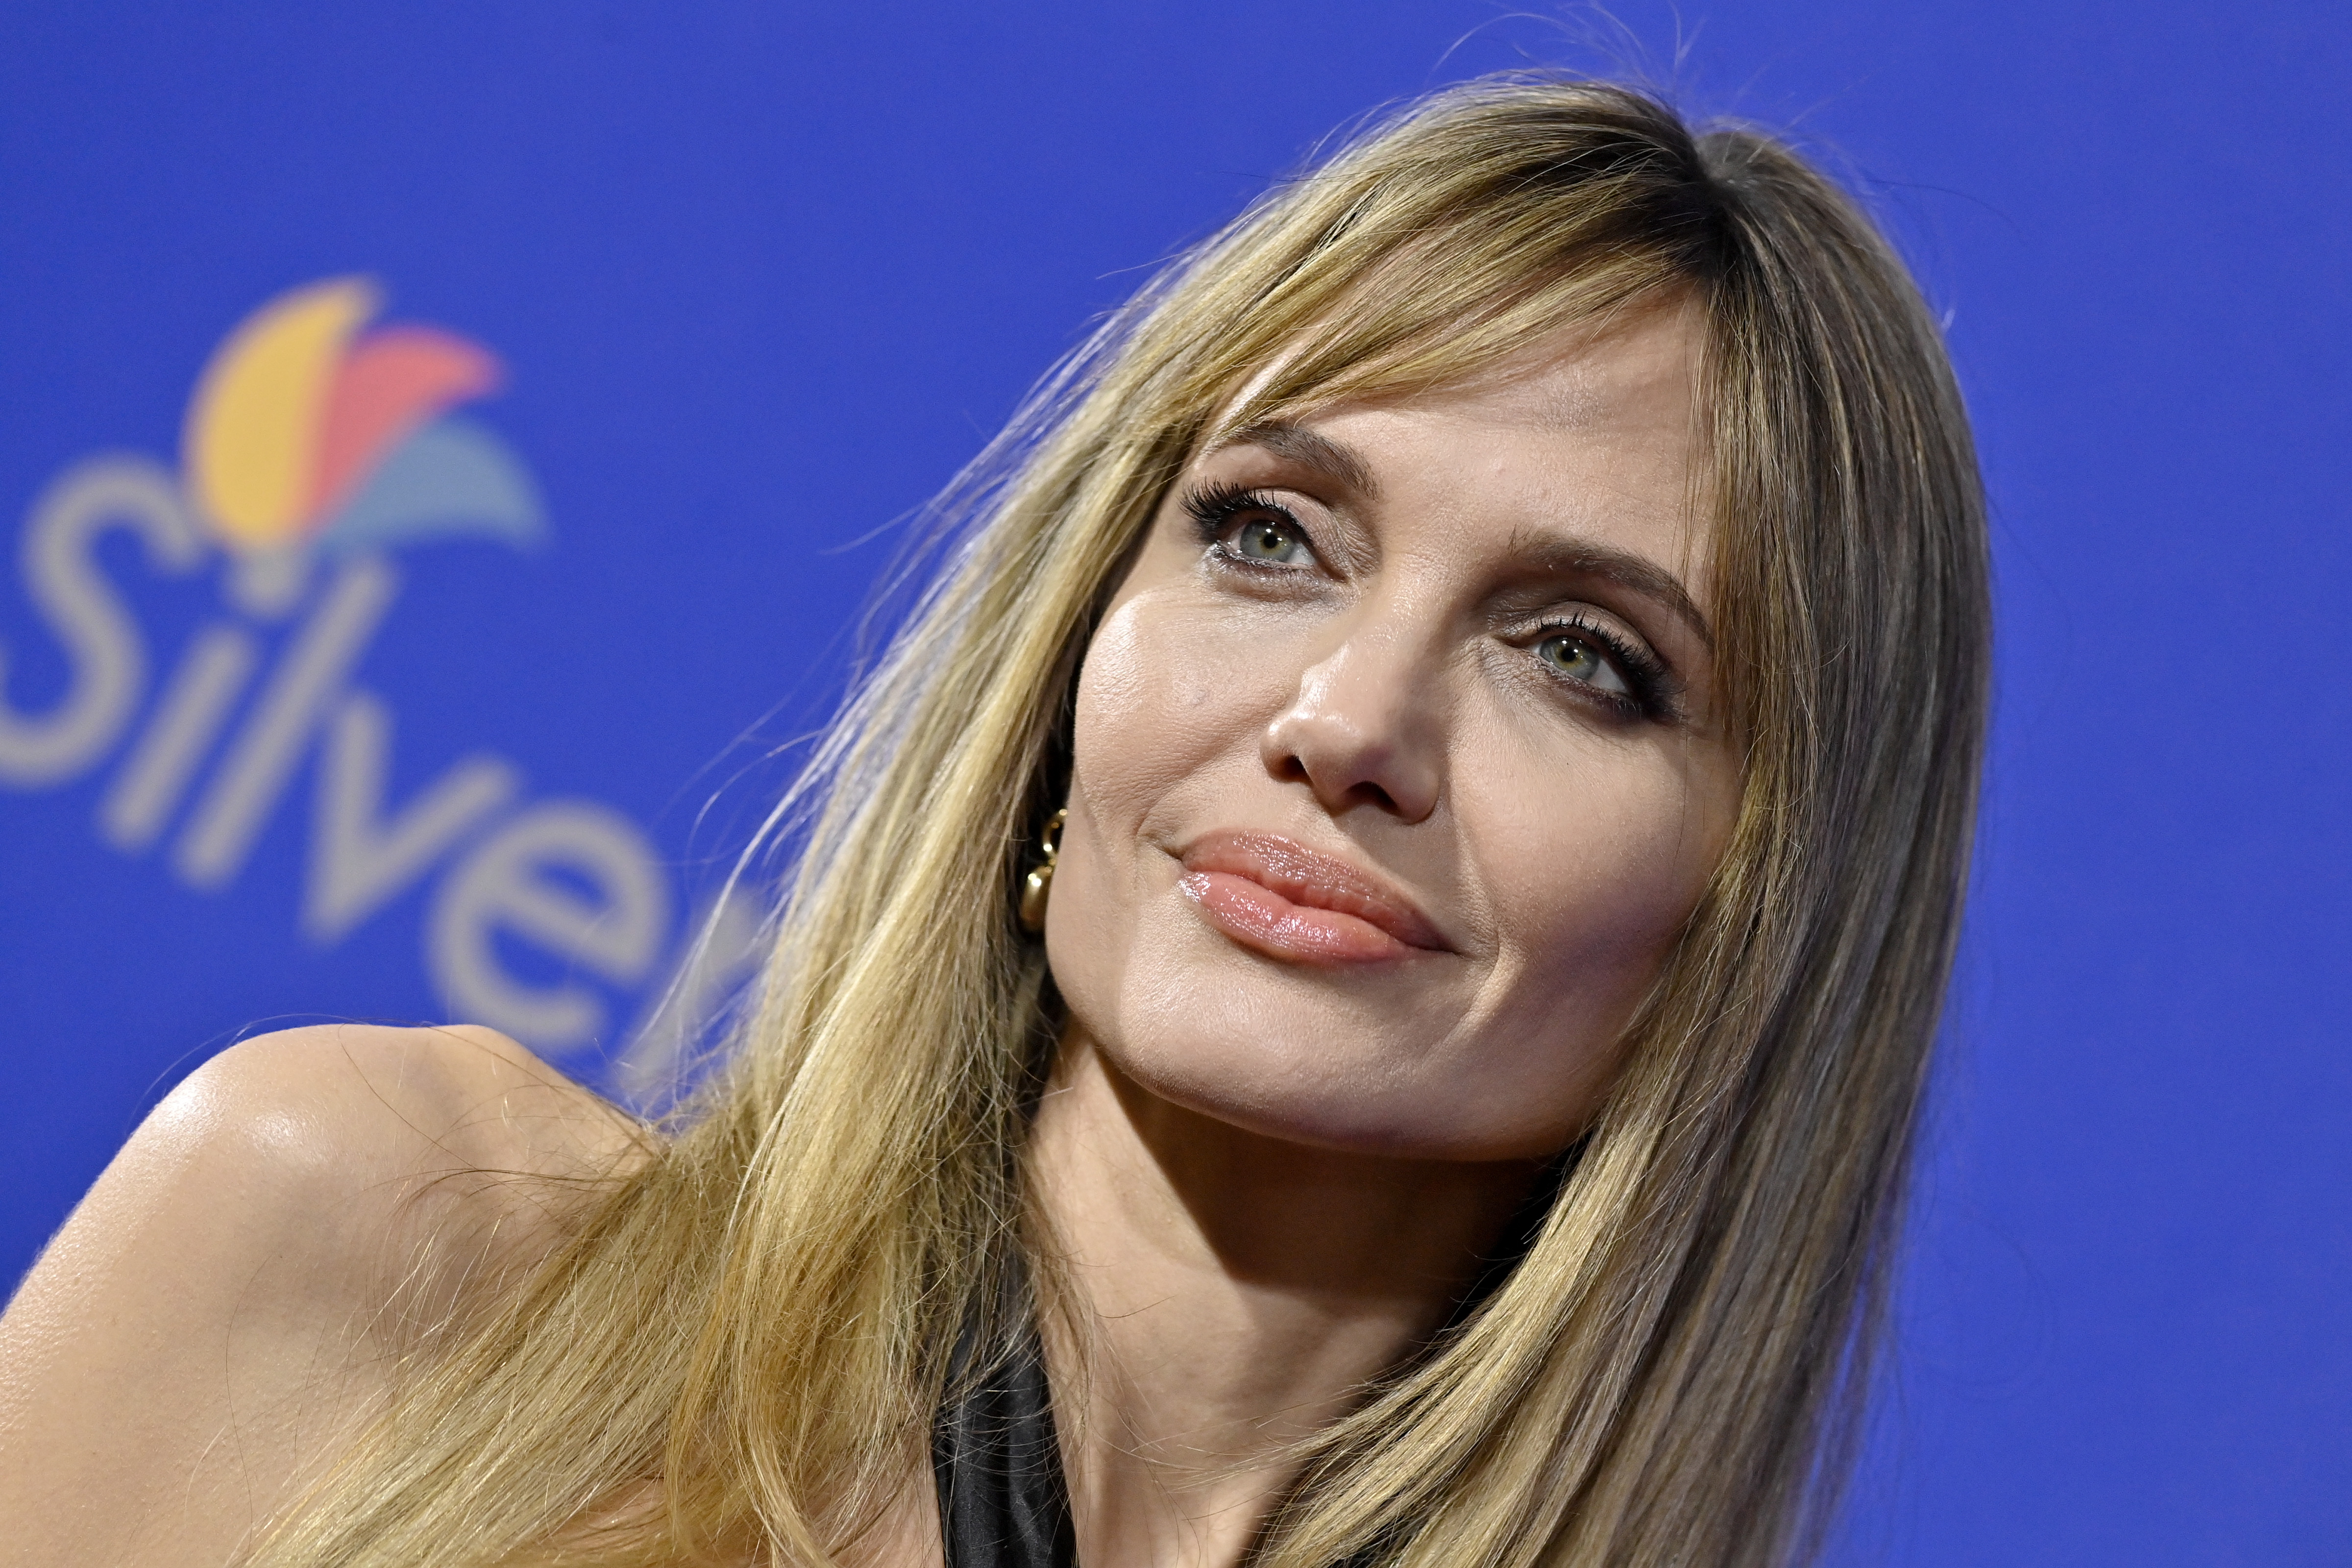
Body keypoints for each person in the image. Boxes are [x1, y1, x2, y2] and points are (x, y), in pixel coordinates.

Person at [0, 74, 1987, 1568]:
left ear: (1765, 906)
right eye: (1270, 535)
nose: (1345, 719)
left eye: (1580, 654)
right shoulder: (378, 1247)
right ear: (1077, 643)